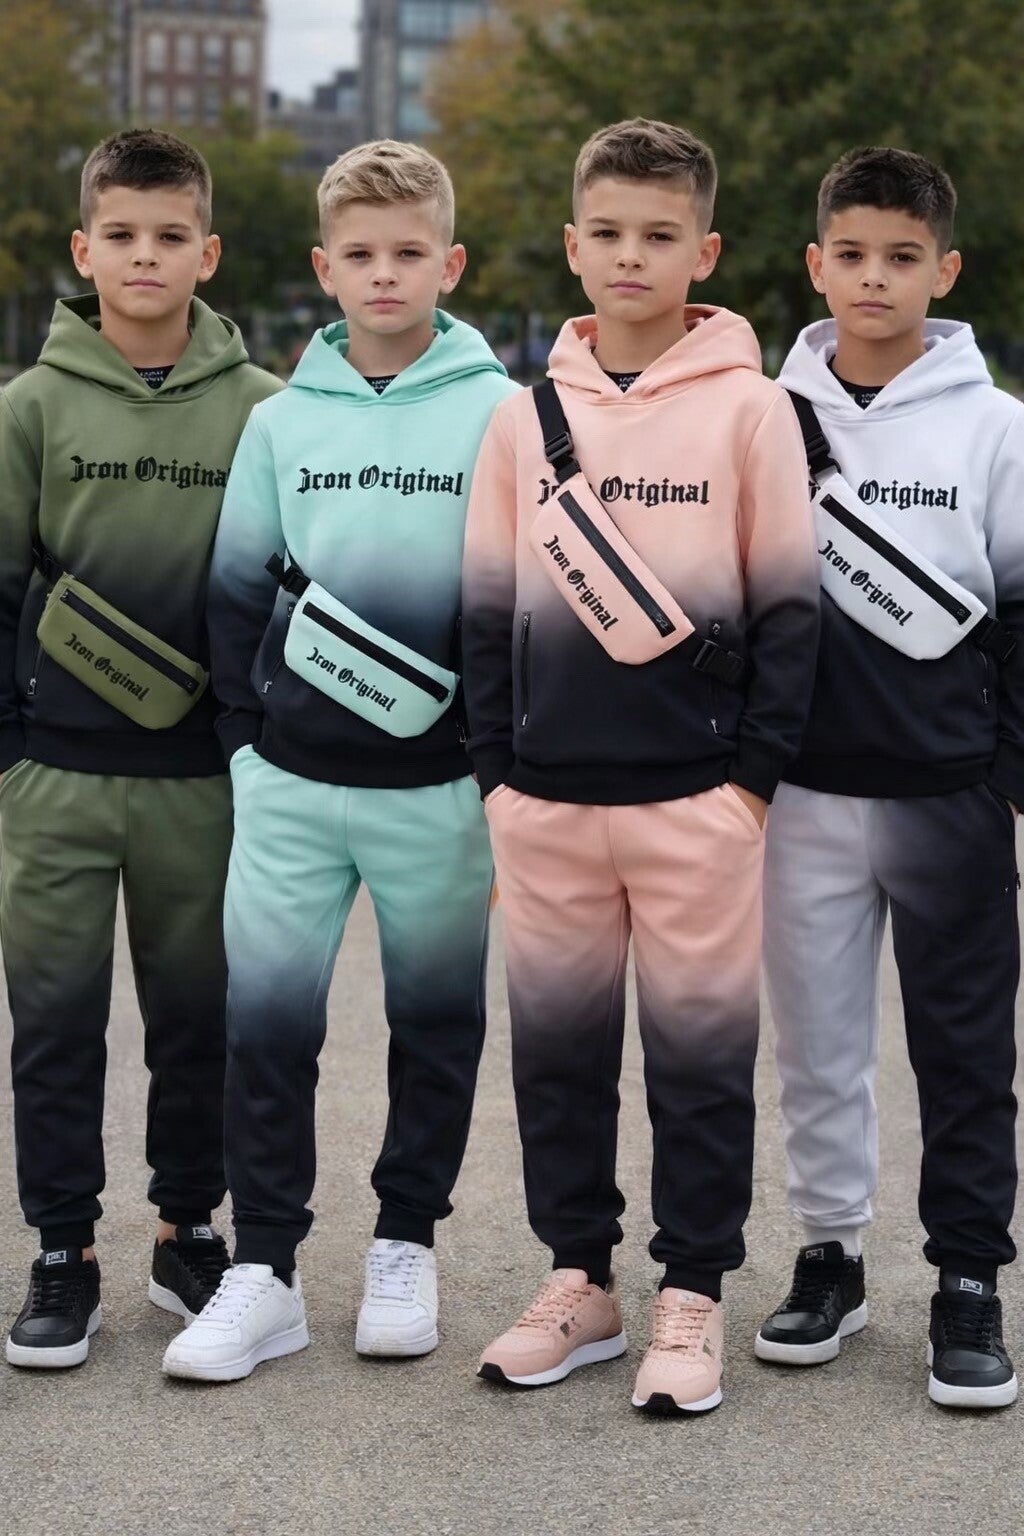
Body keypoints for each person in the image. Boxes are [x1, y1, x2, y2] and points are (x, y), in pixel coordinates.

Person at [461, 117, 819, 1414]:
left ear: (703, 252)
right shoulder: (522, 420)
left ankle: (694, 1291)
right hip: (546, 804)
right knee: (557, 1061)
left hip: (696, 803)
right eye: (607, 232)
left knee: (700, 1063)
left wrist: (748, 790)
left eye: (659, 235)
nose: (630, 255)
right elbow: (482, 612)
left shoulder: (754, 411)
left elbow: (791, 616)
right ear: (572, 245)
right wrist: (498, 778)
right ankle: (580, 1283)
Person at [162, 140, 518, 1383]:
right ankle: (264, 1270)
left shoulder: (501, 415)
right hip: (291, 787)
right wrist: (246, 746)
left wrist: (486, 760)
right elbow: (233, 593)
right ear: (324, 269)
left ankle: (405, 1244)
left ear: (449, 264)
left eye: (408, 253)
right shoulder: (281, 420)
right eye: (359, 255)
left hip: (439, 792)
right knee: (266, 1031)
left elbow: (514, 601)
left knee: (436, 1025)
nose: (384, 275)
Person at [0, 128, 281, 1370]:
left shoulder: (264, 409)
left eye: (171, 235)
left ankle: (187, 1230)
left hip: (201, 784)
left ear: (208, 253)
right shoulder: (27, 409)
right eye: (121, 234)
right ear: (85, 249)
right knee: (56, 1027)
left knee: (195, 1021)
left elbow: (278, 594)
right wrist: (12, 755)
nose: (145, 256)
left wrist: (248, 745)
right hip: (53, 780)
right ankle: (63, 1250)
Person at [756, 147, 1023, 1410]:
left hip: (947, 794)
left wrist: (1003, 775)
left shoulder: (995, 426)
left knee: (964, 1050)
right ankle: (830, 1256)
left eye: (902, 257)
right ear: (816, 265)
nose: (875, 277)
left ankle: (968, 1277)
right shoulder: (762, 418)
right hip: (800, 792)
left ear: (943, 271)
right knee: (817, 1043)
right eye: (852, 255)